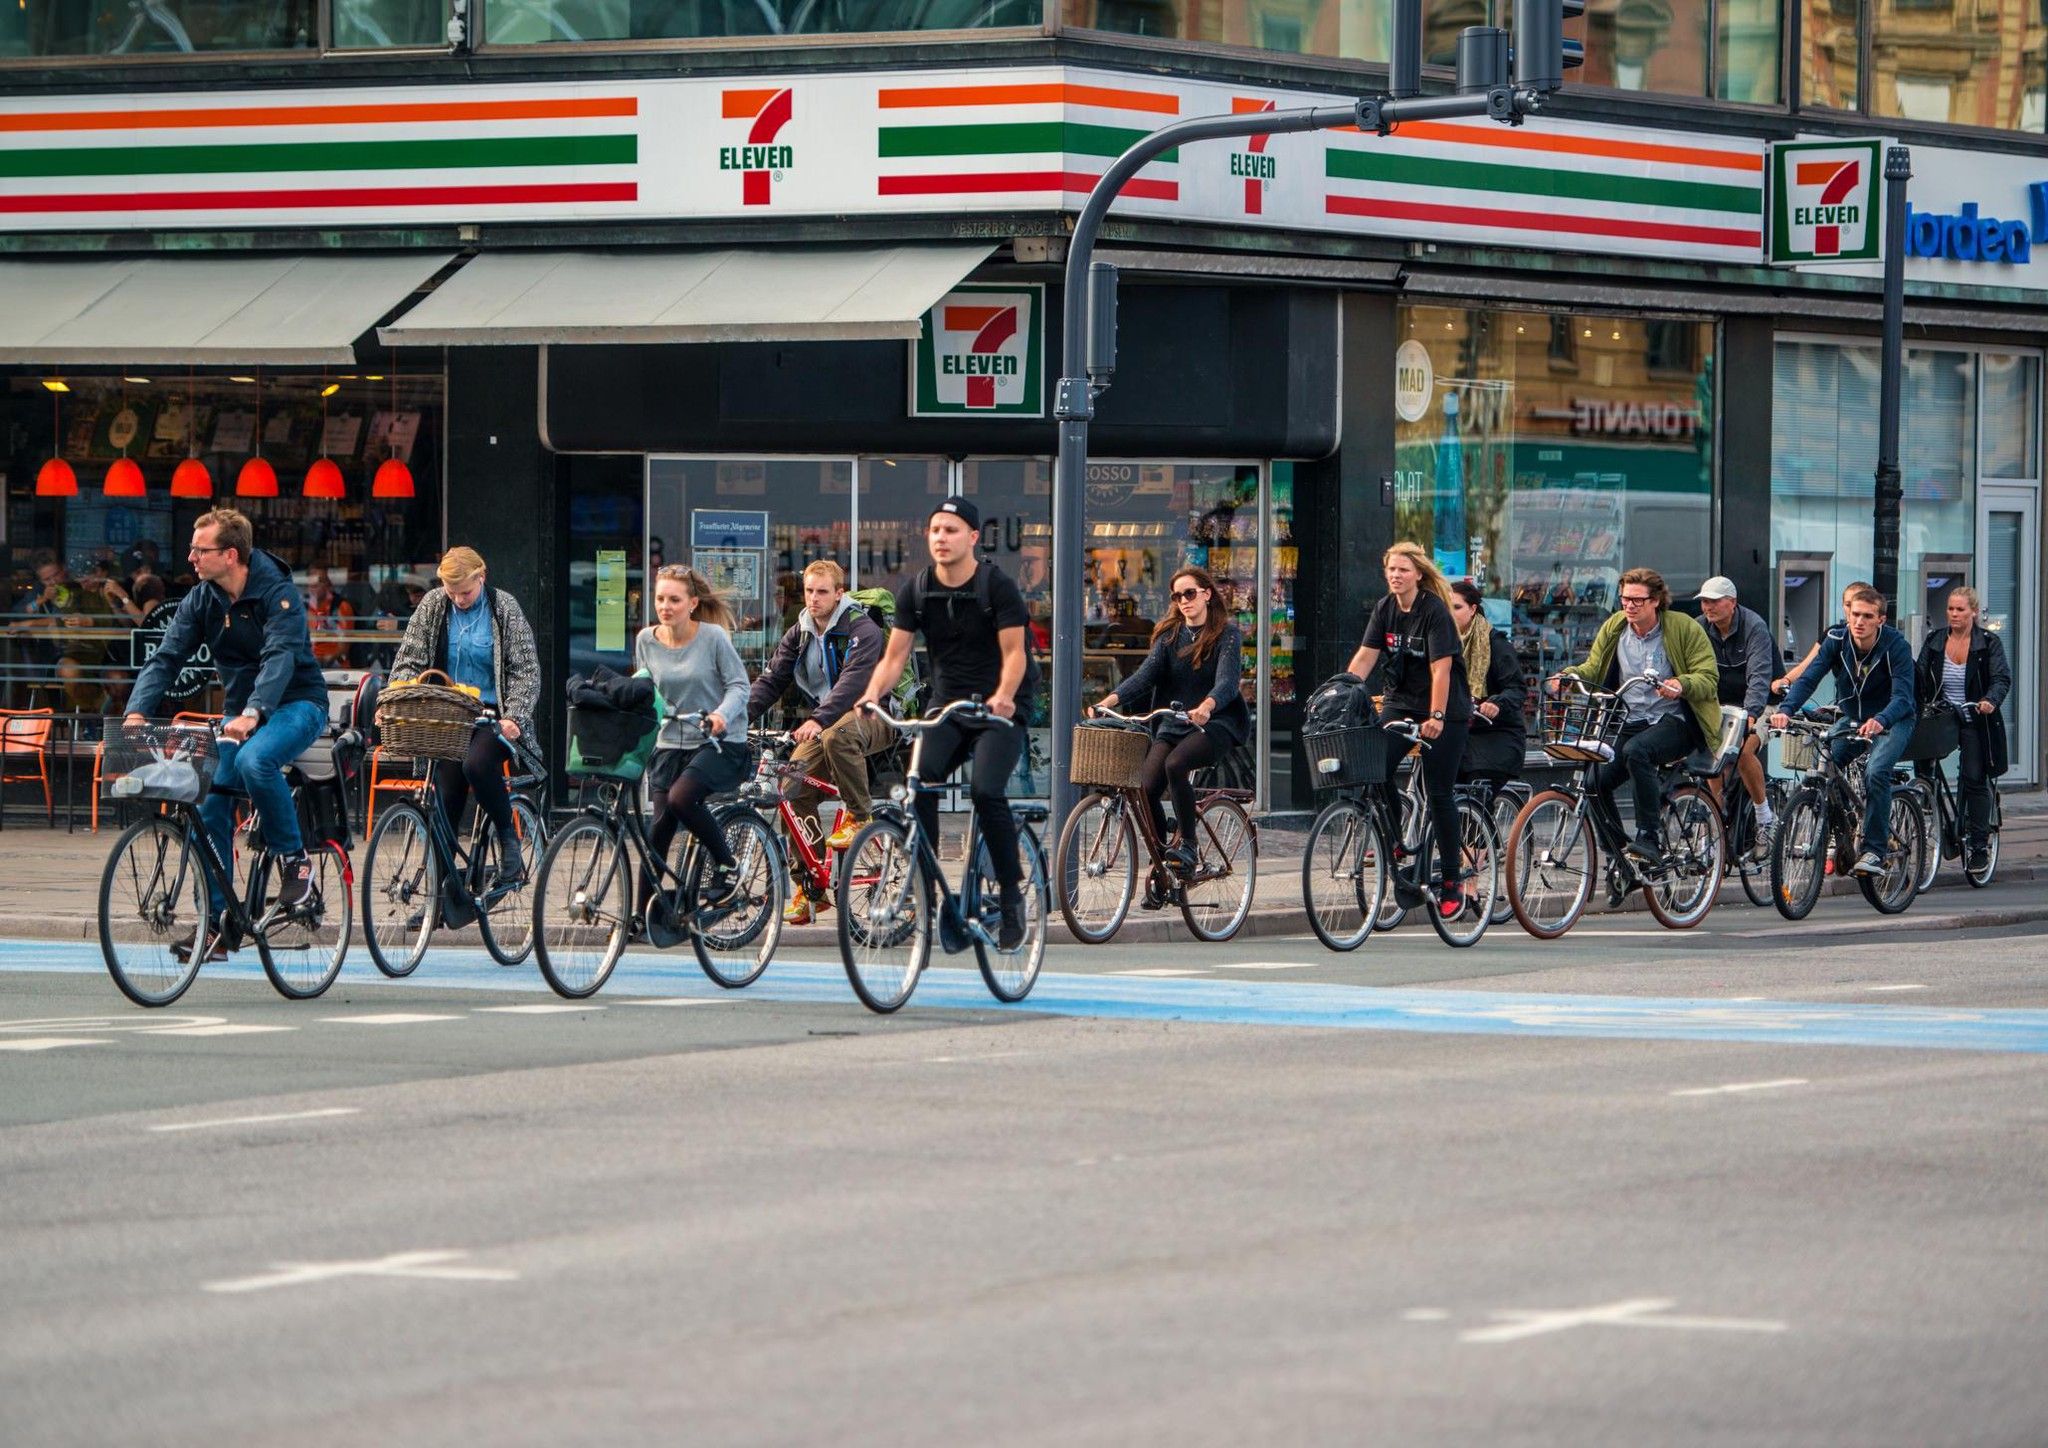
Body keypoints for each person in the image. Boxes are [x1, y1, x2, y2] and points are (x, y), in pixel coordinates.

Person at [124, 509, 331, 960]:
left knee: (257, 761)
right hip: (242, 713)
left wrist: (256, 710)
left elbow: (280, 657)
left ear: (230, 554)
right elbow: (167, 656)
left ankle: (296, 863)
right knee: (210, 801)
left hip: (298, 705)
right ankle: (219, 924)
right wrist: (137, 710)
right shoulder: (202, 599)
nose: (191, 556)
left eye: (202, 549)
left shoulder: (277, 595)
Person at [856, 496, 1030, 951]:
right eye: (935, 530)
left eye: (951, 530)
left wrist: (1005, 697)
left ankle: (1011, 896)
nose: (941, 538)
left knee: (985, 791)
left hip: (999, 710)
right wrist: (873, 693)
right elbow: (895, 657)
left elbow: (1015, 654)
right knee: (919, 783)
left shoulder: (997, 587)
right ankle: (928, 892)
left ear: (972, 537)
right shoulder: (916, 589)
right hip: (947, 706)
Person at [1092, 564, 1251, 907]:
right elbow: (1145, 676)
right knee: (1146, 785)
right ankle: (1164, 863)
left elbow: (1226, 681)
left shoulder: (1227, 635)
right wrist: (1111, 699)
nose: (1184, 601)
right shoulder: (1168, 636)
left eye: (1190, 593)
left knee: (1176, 765)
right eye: (1178, 596)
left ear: (1207, 594)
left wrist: (1208, 705)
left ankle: (1189, 845)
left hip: (1216, 723)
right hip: (1174, 721)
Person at [746, 558, 893, 924]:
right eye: (809, 591)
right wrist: (734, 718)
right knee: (791, 785)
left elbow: (854, 684)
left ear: (839, 594)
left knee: (838, 734)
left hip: (875, 714)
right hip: (826, 721)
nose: (813, 598)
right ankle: (810, 888)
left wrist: (817, 719)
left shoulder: (863, 629)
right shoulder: (800, 631)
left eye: (822, 591)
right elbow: (772, 680)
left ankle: (860, 815)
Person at [389, 547, 542, 888]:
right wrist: (399, 694)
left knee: (476, 764)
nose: (458, 599)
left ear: (481, 577)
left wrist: (515, 717)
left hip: (493, 716)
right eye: (451, 591)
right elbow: (409, 659)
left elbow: (526, 670)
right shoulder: (433, 605)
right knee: (444, 800)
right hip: (447, 718)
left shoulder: (504, 608)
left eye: (466, 592)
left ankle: (508, 840)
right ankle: (441, 901)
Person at [1550, 566, 1720, 868]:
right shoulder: (1616, 627)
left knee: (1637, 752)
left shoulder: (1682, 627)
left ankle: (1649, 836)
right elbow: (1593, 667)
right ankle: (1619, 855)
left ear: (1656, 601)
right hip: (1630, 720)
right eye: (1625, 599)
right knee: (1594, 782)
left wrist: (1681, 685)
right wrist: (1568, 675)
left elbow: (1708, 677)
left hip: (1676, 721)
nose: (1629, 605)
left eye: (1637, 600)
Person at [1344, 542, 1475, 921]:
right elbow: (1367, 656)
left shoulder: (1434, 611)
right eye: (1390, 570)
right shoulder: (1385, 608)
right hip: (1401, 701)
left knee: (1439, 793)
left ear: (1418, 574)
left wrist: (1436, 715)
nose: (1395, 576)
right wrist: (1344, 687)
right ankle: (1396, 840)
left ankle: (1451, 880)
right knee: (1375, 765)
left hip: (1444, 709)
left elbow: (1441, 669)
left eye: (1403, 570)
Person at [1771, 582, 1916, 878]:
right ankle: (1844, 834)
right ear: (1848, 616)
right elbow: (1810, 678)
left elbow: (1903, 697)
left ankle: (1874, 850)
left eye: (1867, 616)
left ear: (1880, 620)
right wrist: (1785, 709)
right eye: (1856, 615)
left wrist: (1882, 720)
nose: (1859, 622)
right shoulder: (1837, 640)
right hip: (1852, 717)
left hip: (1893, 718)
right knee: (1824, 767)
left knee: (1876, 772)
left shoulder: (1896, 646)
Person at [636, 565, 752, 922]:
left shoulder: (713, 637)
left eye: (674, 599)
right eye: (660, 599)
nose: (665, 606)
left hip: (719, 742)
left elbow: (740, 686)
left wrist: (720, 716)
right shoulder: (646, 640)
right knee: (659, 828)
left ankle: (727, 865)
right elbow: (645, 691)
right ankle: (642, 917)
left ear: (692, 603)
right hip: (670, 743)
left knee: (682, 797)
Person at [1915, 586, 2011, 874]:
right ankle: (1934, 822)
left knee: (1973, 777)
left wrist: (1990, 700)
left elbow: (2001, 678)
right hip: (1942, 717)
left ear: (1973, 612)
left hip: (1974, 717)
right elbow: (1919, 677)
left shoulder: (1988, 643)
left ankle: (1978, 845)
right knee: (1924, 774)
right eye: (1950, 609)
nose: (1954, 614)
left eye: (1960, 609)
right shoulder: (1934, 641)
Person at [1695, 576, 1777, 853]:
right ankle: (1715, 821)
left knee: (1742, 751)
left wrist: (1751, 715)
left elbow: (1760, 676)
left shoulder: (1755, 627)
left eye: (1715, 601)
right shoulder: (1699, 628)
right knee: (1712, 752)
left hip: (1762, 702)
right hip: (1720, 704)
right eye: (1705, 601)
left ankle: (1764, 817)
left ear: (1732, 603)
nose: (1708, 607)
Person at [1447, 578, 1526, 796]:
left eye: (1456, 607)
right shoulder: (1442, 643)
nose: (1450, 613)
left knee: (1476, 792)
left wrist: (1496, 703)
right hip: (1460, 732)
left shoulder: (1496, 644)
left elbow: (1517, 689)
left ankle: (1478, 827)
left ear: (1473, 609)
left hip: (1497, 733)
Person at [304, 567, 355, 667]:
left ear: (328, 585)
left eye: (320, 581)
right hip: (309, 664)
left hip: (336, 668)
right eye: (311, 582)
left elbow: (344, 648)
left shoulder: (341, 607)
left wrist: (325, 660)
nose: (314, 586)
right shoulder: (303, 607)